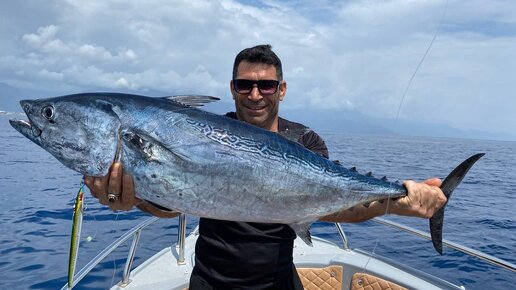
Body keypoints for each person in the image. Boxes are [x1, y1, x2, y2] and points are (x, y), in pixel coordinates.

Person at [84, 44, 446, 290]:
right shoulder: (203, 134)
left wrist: (397, 204)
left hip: (279, 281)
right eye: (245, 85)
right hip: (210, 280)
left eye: (266, 85)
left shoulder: (305, 142)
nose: (255, 95)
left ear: (281, 89)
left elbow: (336, 208)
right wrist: (133, 198)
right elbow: (171, 203)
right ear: (232, 88)